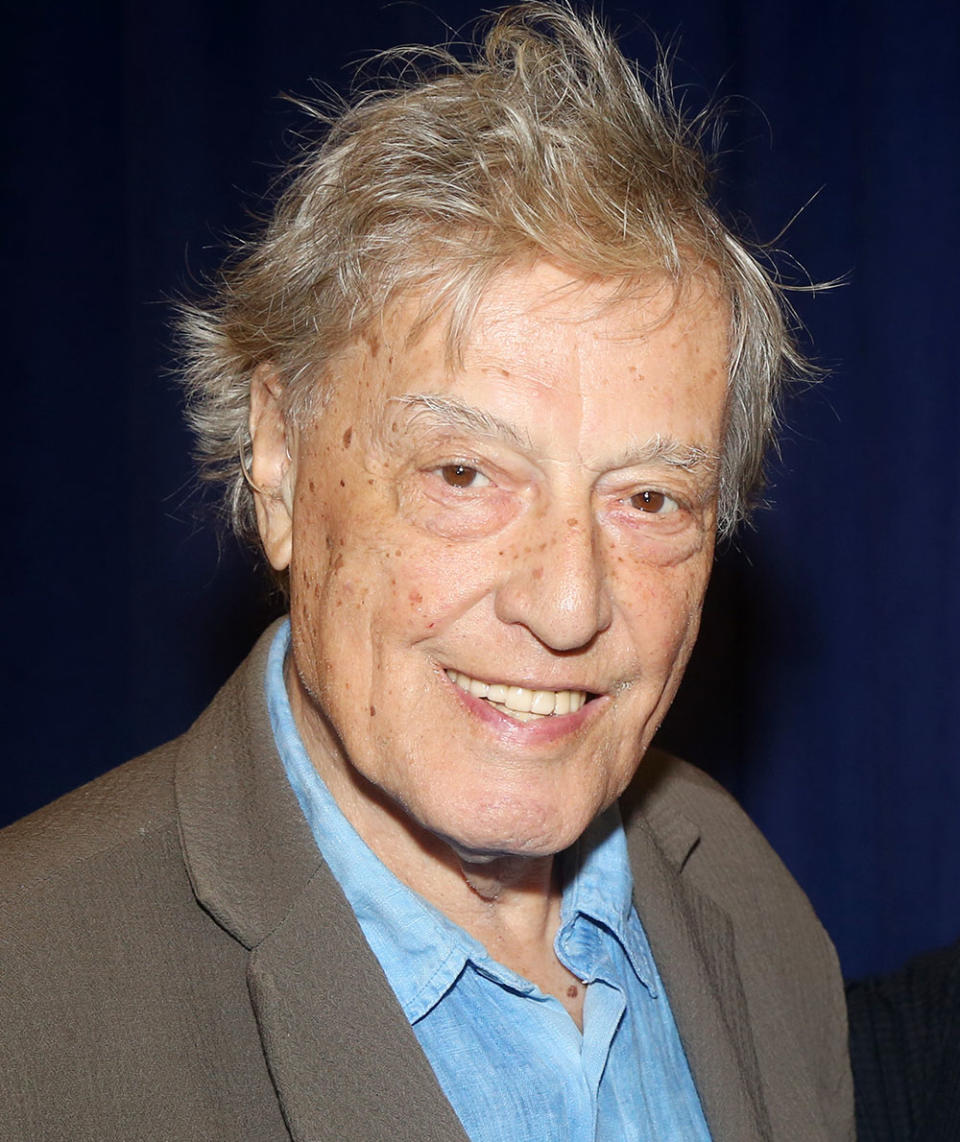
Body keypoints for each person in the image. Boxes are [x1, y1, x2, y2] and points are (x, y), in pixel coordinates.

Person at [0, 4, 853, 1138]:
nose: (567, 603)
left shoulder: (740, 892)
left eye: (648, 498)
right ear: (279, 459)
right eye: (465, 473)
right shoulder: (31, 989)